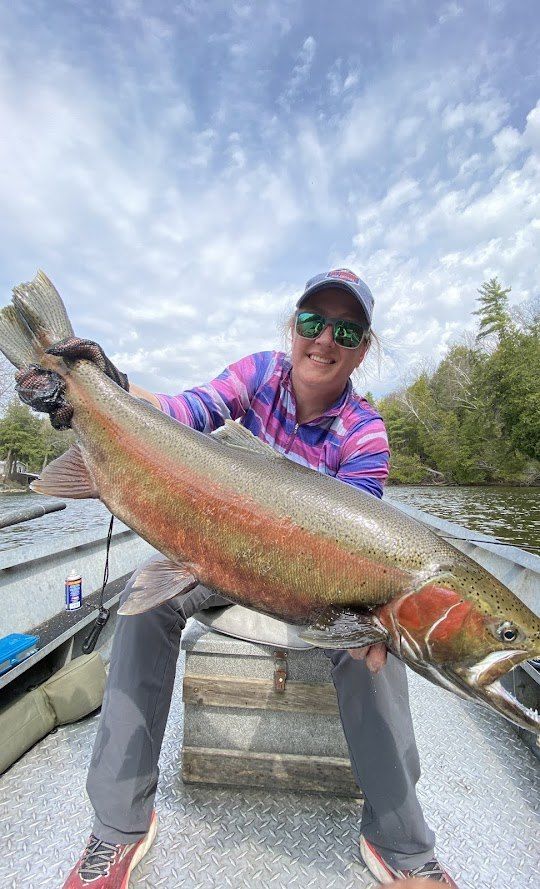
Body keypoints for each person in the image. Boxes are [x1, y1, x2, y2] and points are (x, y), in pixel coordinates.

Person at [60, 269, 457, 887]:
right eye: (312, 322)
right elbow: (180, 414)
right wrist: (100, 389)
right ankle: (118, 826)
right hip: (221, 551)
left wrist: (374, 619)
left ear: (364, 347)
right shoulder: (258, 373)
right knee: (141, 608)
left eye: (346, 329)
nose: (324, 339)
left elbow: (351, 542)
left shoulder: (366, 432)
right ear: (292, 326)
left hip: (317, 584)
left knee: (376, 647)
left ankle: (401, 843)